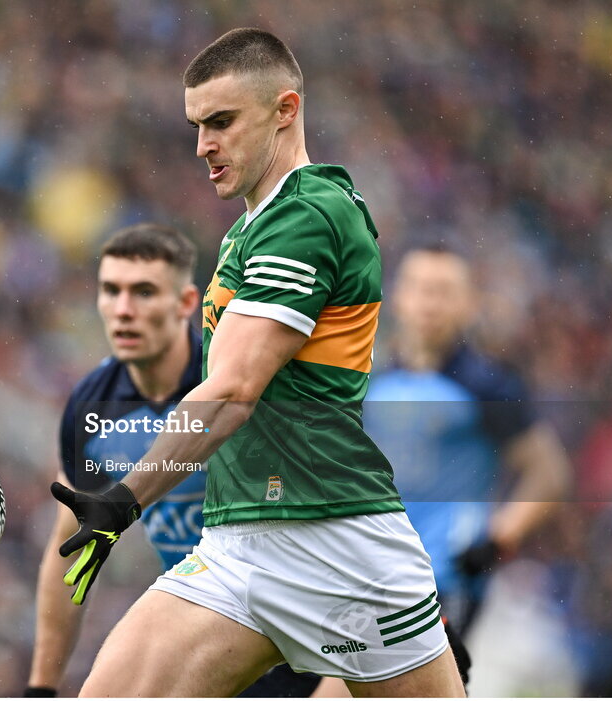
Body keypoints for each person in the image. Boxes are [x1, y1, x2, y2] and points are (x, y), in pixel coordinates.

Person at [50, 28, 466, 696]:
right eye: (195, 126)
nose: (202, 146)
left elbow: (234, 389)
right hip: (239, 542)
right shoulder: (251, 225)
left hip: (341, 548)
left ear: (285, 110)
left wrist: (125, 499)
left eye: (220, 122)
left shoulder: (308, 215)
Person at [25, 223, 322, 697]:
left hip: (307, 626)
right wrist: (40, 688)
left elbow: (340, 504)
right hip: (206, 618)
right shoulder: (92, 408)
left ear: (186, 304)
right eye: (111, 291)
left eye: (144, 292)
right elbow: (69, 551)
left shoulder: (237, 384)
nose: (123, 310)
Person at [363, 244, 571, 636]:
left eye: (444, 292)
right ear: (399, 297)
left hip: (446, 582)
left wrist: (499, 538)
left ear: (469, 303)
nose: (430, 304)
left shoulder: (488, 385)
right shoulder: (372, 377)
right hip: (373, 572)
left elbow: (549, 472)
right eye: (420, 289)